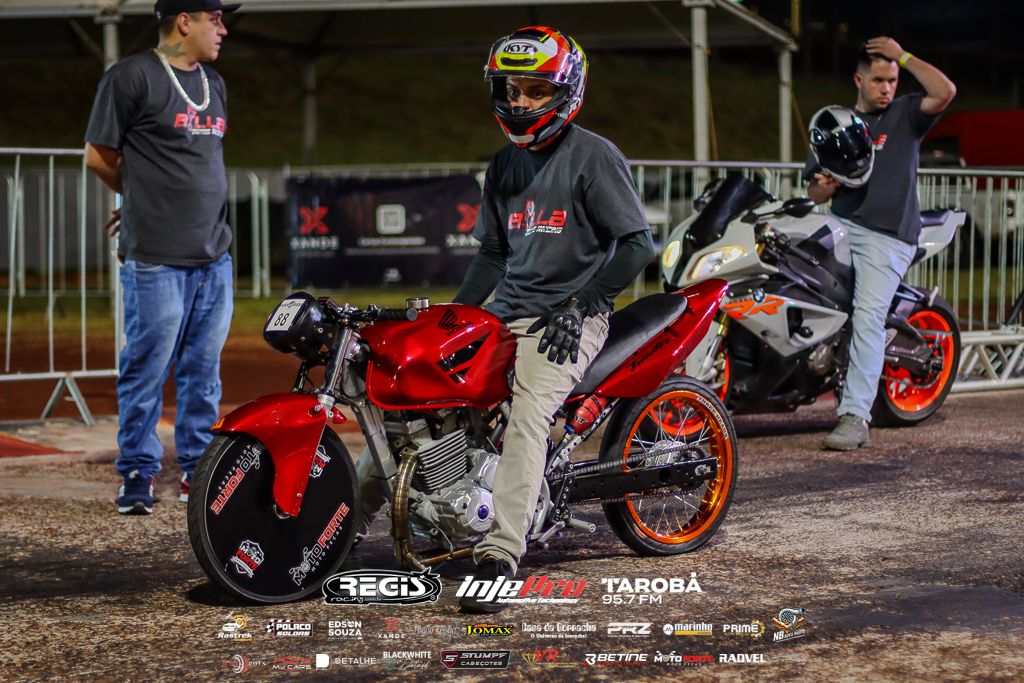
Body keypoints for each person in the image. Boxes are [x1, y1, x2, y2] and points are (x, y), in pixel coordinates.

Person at [352, 26, 655, 613]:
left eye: (536, 91)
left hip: (570, 317)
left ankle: (501, 553)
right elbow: (493, 254)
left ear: (566, 92)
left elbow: (638, 245)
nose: (520, 102)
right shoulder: (504, 163)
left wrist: (583, 304)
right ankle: (340, 528)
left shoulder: (594, 156)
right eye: (512, 90)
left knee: (528, 415)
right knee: (414, 398)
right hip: (505, 310)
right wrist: (456, 316)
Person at [84, 0, 240, 514]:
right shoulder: (131, 77)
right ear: (184, 22)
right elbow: (98, 156)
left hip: (214, 256)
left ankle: (199, 468)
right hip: (156, 260)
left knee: (203, 371)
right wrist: (139, 198)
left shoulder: (214, 84)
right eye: (215, 19)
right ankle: (137, 470)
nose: (223, 29)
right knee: (146, 370)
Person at [805, 37, 956, 450]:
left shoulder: (906, 113)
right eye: (878, 80)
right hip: (839, 226)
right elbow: (815, 192)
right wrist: (824, 187)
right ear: (859, 80)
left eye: (892, 80)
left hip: (887, 238)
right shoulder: (838, 123)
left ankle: (855, 418)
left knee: (868, 317)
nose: (887, 87)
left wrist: (903, 56)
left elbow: (945, 91)